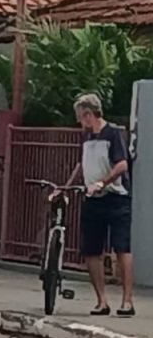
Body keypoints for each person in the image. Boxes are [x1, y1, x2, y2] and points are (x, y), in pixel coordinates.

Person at [61, 93, 134, 317]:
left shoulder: (112, 134)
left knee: (121, 247)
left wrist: (103, 182)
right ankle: (101, 301)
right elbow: (81, 165)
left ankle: (127, 301)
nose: (79, 123)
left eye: (81, 118)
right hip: (92, 199)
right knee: (91, 250)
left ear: (89, 114)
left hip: (115, 198)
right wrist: (64, 188)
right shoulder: (87, 138)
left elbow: (122, 165)